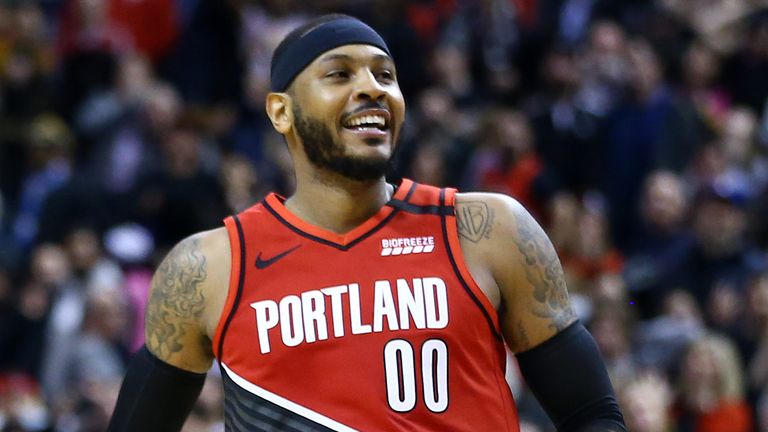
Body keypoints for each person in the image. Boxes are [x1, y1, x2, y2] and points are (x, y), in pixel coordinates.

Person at [108, 14, 626, 432]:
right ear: (281, 112)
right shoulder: (208, 267)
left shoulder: (488, 230)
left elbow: (593, 417)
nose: (372, 88)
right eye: (340, 74)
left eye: (385, 74)